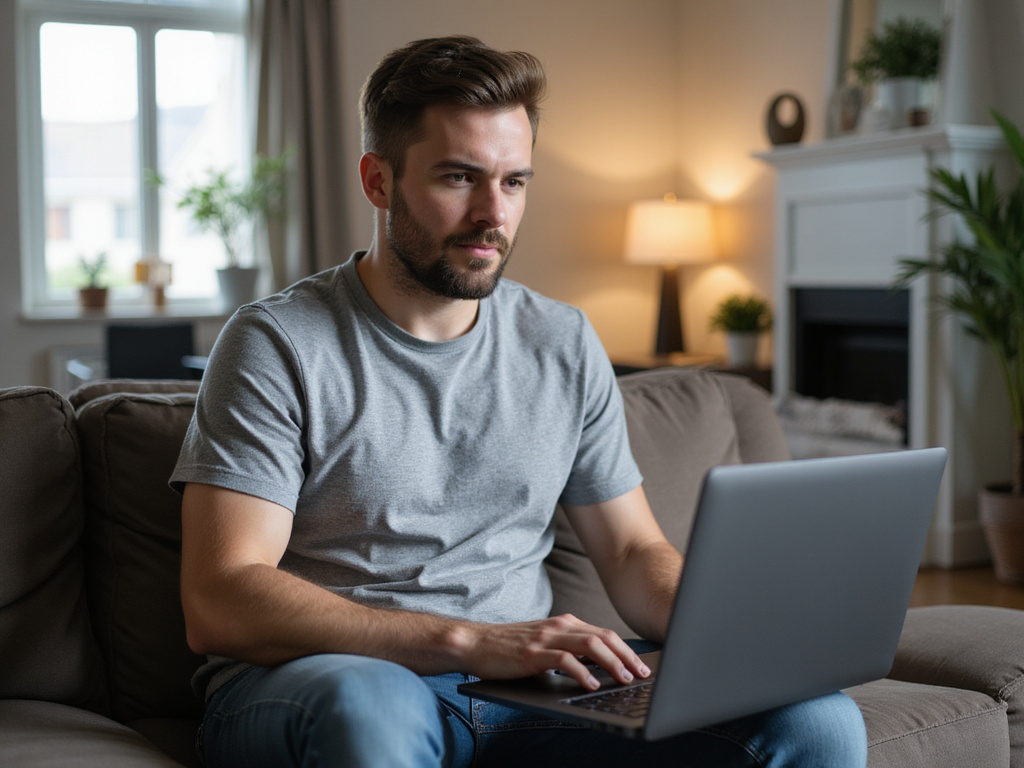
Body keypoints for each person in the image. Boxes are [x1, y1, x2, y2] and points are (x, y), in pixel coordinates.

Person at [173, 35, 867, 768]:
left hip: (526, 694)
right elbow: (221, 597)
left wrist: (729, 629)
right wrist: (469, 641)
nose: (491, 214)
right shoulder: (277, 342)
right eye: (458, 178)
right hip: (337, 679)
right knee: (370, 709)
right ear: (378, 181)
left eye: (513, 182)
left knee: (814, 721)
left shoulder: (561, 339)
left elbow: (632, 550)